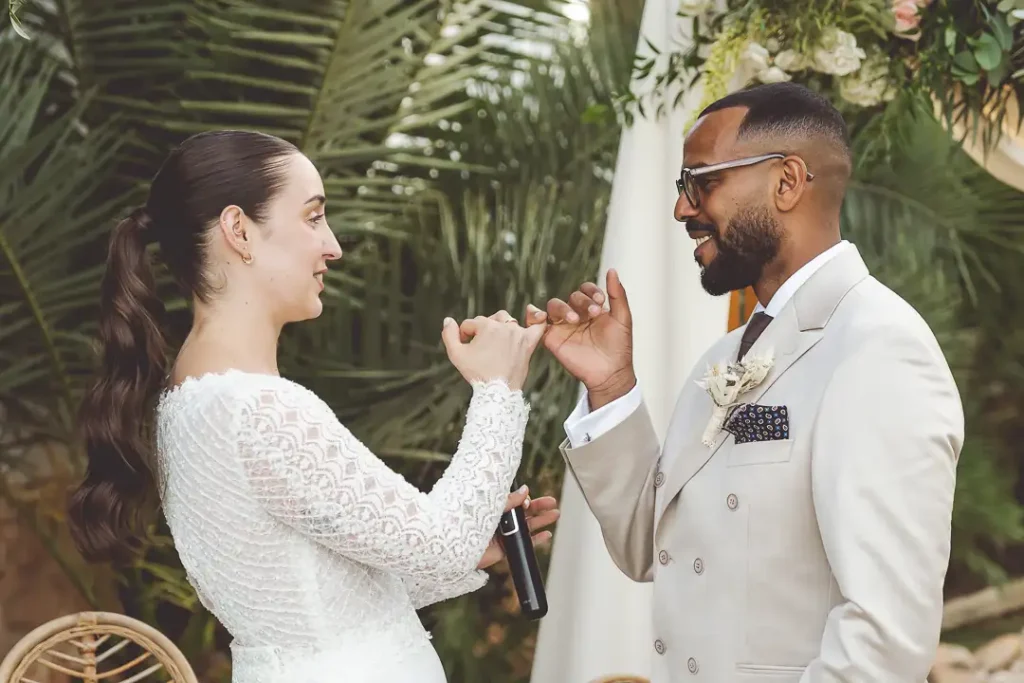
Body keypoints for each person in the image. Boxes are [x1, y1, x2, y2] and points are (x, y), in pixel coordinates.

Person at [66, 130, 560, 683]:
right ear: (239, 230)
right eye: (312, 217)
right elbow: (437, 545)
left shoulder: (185, 404)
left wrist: (474, 546)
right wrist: (498, 390)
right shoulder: (262, 410)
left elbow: (306, 601)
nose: (333, 246)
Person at [527, 82, 964, 682]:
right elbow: (643, 545)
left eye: (701, 181)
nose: (682, 208)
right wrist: (611, 387)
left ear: (786, 181)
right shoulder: (725, 357)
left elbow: (885, 639)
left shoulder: (877, 349)